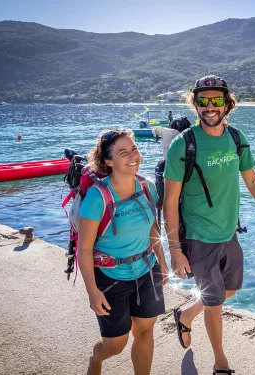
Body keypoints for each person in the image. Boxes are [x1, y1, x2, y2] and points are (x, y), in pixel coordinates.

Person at [163, 75, 255, 374]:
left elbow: (253, 180)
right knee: (215, 303)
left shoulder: (236, 138)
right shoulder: (183, 145)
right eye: (203, 101)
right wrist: (174, 249)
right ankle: (221, 362)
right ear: (195, 104)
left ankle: (185, 314)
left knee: (229, 291)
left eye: (216, 100)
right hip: (199, 237)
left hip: (229, 232)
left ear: (227, 103)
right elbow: (170, 202)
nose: (210, 107)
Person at [78, 129, 169, 375]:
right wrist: (92, 291)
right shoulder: (97, 198)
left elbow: (152, 226)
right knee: (115, 345)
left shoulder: (147, 186)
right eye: (123, 152)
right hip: (110, 277)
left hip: (147, 270)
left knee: (145, 331)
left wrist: (162, 262)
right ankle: (95, 360)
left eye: (134, 149)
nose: (132, 156)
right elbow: (84, 249)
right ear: (108, 162)